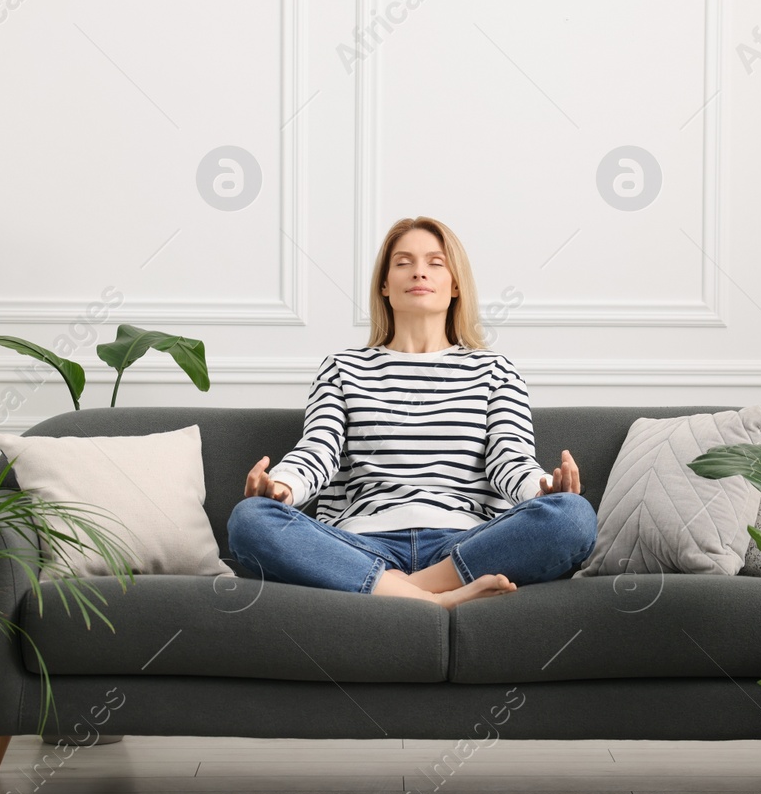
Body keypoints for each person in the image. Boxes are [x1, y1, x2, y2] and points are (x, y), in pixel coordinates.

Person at [226, 217, 598, 608]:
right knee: (250, 519)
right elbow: (318, 449)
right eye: (403, 262)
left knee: (572, 516)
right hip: (361, 546)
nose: (419, 270)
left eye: (436, 262)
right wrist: (283, 485)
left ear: (455, 284)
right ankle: (436, 600)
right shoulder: (342, 367)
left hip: (464, 545)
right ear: (384, 285)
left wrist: (542, 490)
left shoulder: (495, 370)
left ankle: (399, 591)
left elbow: (511, 459)